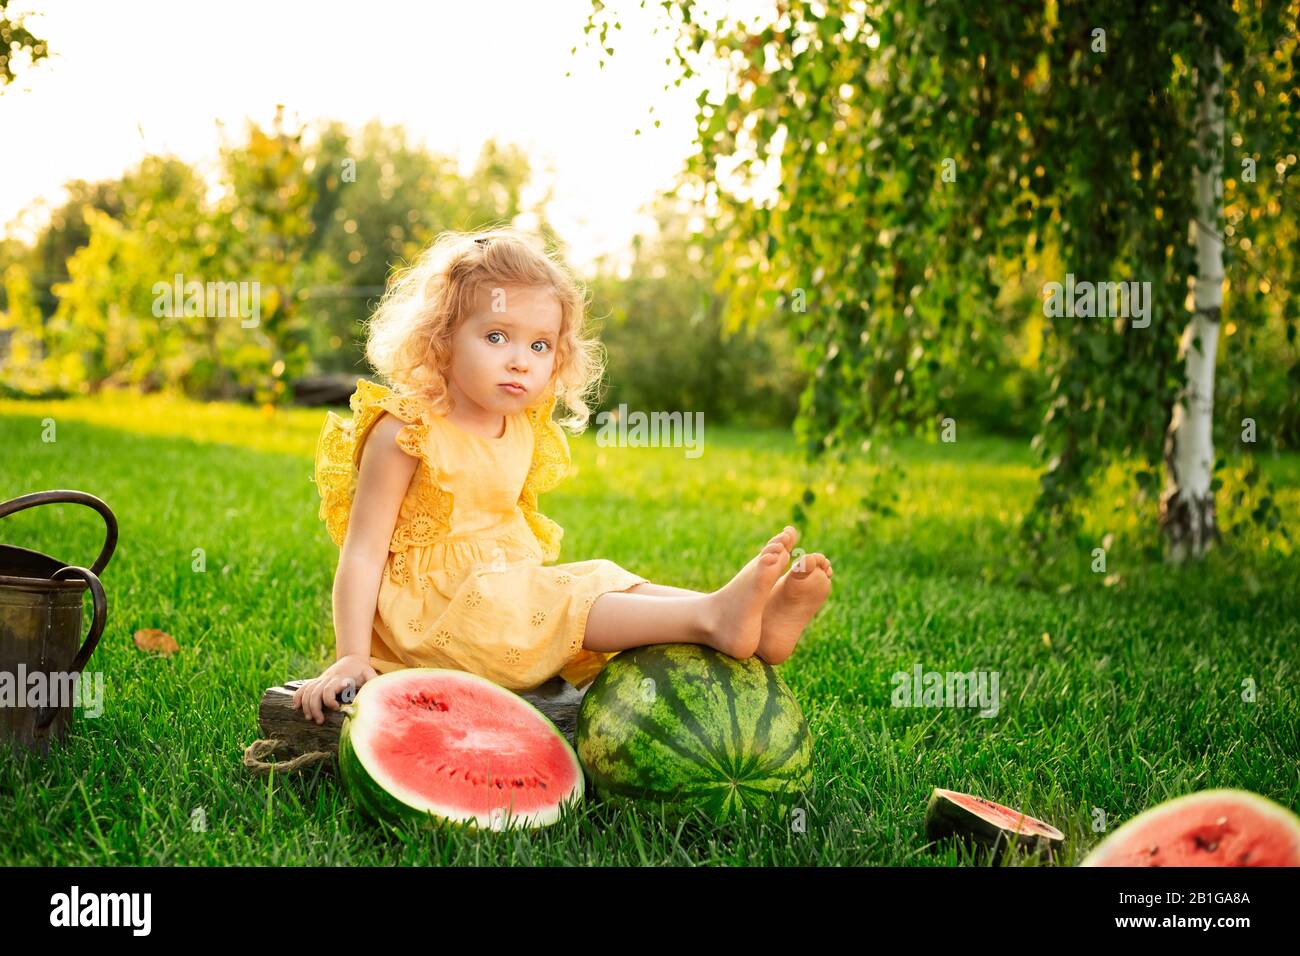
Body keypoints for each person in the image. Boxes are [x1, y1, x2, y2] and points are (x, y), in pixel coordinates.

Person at [294, 228, 832, 724]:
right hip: (433, 624)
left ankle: (744, 620)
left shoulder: (520, 427)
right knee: (568, 599)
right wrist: (351, 657)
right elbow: (362, 553)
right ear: (442, 337)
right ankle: (709, 618)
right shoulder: (406, 431)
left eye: (539, 345)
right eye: (497, 336)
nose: (520, 361)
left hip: (501, 596)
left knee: (597, 575)